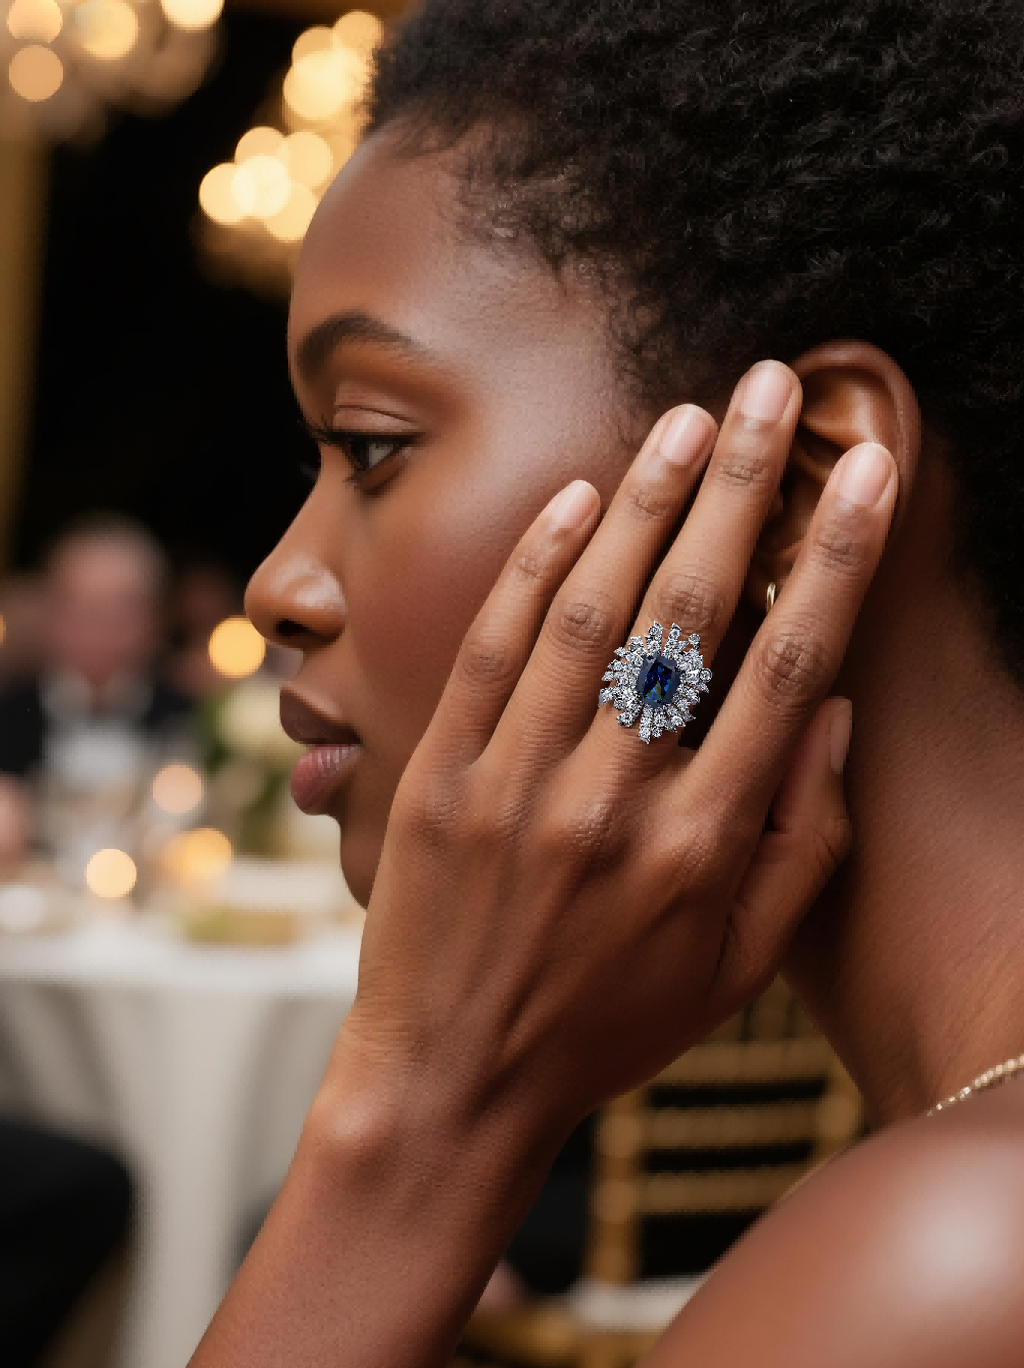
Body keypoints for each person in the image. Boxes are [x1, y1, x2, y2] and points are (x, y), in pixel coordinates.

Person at [191, 2, 1024, 1364]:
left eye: (372, 443)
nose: (277, 585)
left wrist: (422, 1113)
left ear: (802, 485)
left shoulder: (952, 1256)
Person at [0, 513, 193, 870]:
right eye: (82, 608)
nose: (101, 628)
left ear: (155, 619)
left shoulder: (190, 718)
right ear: (48, 613)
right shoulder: (8, 716)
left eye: (121, 609)